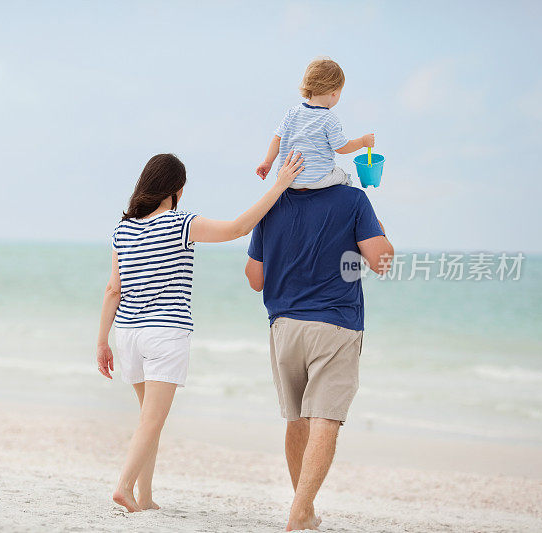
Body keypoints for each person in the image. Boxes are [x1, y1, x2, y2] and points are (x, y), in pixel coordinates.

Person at [96, 150, 304, 512]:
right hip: (165, 333)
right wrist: (280, 185)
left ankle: (144, 497)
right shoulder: (182, 224)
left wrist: (102, 340)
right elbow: (240, 228)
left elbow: (113, 289)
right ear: (175, 189)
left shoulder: (122, 229)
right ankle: (124, 487)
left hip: (127, 334)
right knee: (152, 420)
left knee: (149, 420)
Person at [245, 184, 393, 530]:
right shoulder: (353, 199)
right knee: (325, 419)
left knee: (297, 419)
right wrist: (377, 228)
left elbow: (255, 279)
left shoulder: (271, 201)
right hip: (336, 325)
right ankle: (300, 512)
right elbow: (381, 262)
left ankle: (303, 508)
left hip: (284, 326)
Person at [256, 57, 375, 189]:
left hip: (288, 180)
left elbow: (277, 138)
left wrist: (267, 162)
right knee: (342, 175)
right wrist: (363, 142)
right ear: (334, 93)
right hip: (317, 179)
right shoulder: (329, 118)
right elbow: (341, 147)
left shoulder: (292, 113)